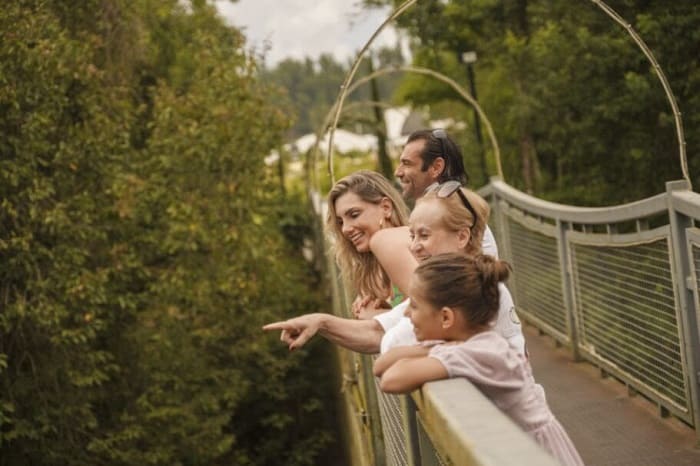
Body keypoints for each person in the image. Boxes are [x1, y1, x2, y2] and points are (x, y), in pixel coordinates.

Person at [264, 181, 525, 357]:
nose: (413, 247)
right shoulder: (453, 283)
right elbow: (379, 331)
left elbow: (391, 343)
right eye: (413, 236)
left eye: (423, 235)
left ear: (462, 237)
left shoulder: (458, 289)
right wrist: (320, 322)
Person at [373, 253, 583, 466]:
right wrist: (436, 348)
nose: (407, 313)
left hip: (537, 454)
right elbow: (381, 365)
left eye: (415, 306)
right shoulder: (463, 343)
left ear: (446, 317)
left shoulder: (482, 352)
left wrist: (434, 351)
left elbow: (391, 379)